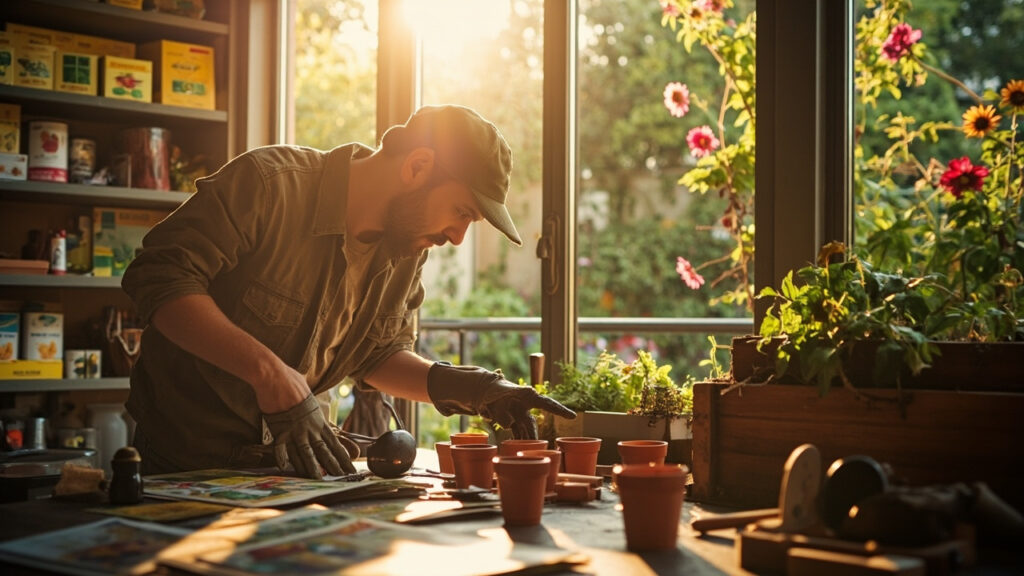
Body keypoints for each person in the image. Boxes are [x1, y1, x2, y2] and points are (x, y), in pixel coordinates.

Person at [121, 104, 575, 479]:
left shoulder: (407, 247)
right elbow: (159, 278)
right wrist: (269, 374)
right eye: (460, 212)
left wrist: (473, 388)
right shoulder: (268, 185)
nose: (456, 237)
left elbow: (377, 356)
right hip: (183, 467)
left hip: (297, 471)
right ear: (418, 167)